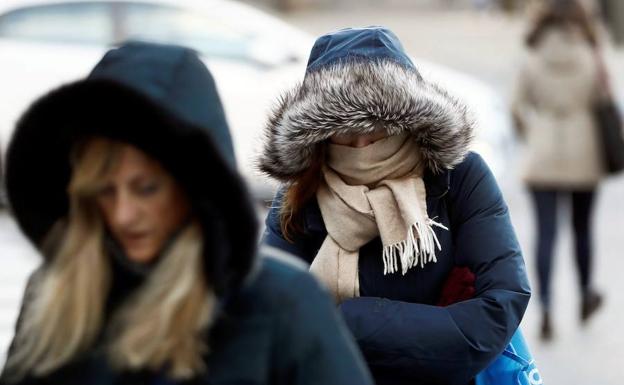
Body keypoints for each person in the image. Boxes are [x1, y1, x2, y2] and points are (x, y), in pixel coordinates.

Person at [0, 41, 373, 385]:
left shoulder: (279, 303)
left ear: (194, 185)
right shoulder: (54, 293)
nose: (123, 215)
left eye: (146, 188)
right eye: (104, 191)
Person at [260, 26, 531, 385]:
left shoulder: (458, 176)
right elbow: (266, 318)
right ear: (320, 134)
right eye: (343, 129)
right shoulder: (300, 194)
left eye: (376, 126)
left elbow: (500, 306)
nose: (361, 144)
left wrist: (350, 322)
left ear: (406, 120)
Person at [512, 0, 606, 340]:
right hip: (586, 151)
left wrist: (532, 134)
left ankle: (547, 308)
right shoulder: (590, 54)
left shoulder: (534, 55)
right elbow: (602, 99)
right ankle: (584, 294)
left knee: (546, 233)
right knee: (582, 229)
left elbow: (516, 106)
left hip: (543, 153)